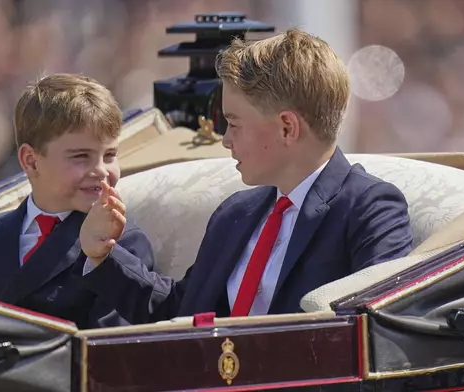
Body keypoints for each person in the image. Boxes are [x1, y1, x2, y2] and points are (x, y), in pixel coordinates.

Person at [79, 29, 414, 324]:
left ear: (287, 127)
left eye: (234, 123)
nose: (225, 139)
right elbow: (181, 315)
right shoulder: (236, 212)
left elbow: (377, 332)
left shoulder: (369, 208)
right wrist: (104, 255)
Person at [0, 73, 154, 329]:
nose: (101, 170)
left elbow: (106, 351)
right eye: (81, 156)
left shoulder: (123, 243)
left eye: (110, 155)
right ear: (31, 160)